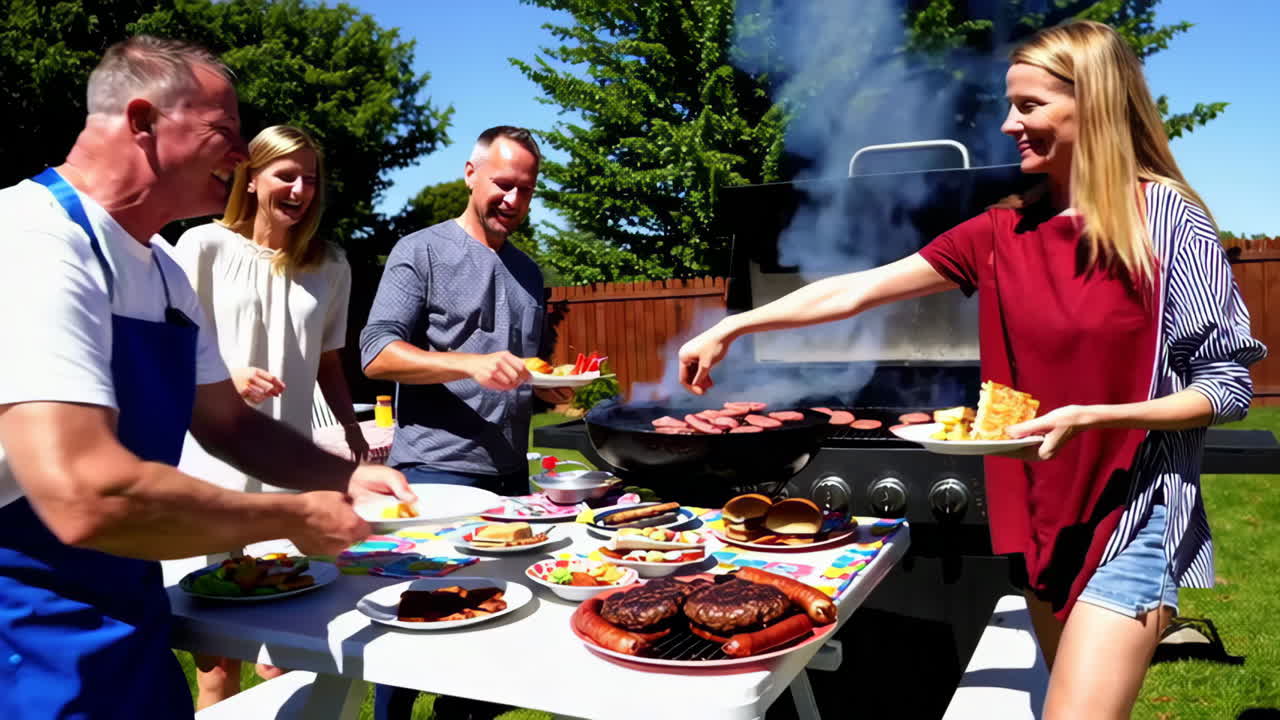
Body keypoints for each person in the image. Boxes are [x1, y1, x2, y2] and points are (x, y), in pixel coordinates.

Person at [678, 20, 1264, 720]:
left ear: (1096, 104)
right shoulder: (1001, 228)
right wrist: (741, 323)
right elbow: (858, 287)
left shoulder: (1167, 223)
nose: (1006, 123)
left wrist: (1102, 416)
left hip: (1127, 512)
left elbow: (1227, 388)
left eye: (1029, 105)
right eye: (1008, 104)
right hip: (1042, 516)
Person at [0, 37, 412, 720]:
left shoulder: (160, 268)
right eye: (224, 132)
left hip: (129, 617)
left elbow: (228, 422)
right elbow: (82, 494)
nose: (238, 155)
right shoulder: (31, 240)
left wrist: (342, 477)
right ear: (141, 121)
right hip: (23, 635)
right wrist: (293, 514)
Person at [359, 126, 571, 719]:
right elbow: (375, 352)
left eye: (526, 190)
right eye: (504, 184)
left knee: (489, 647)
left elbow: (516, 369)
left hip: (510, 481)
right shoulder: (420, 250)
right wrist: (470, 365)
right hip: (435, 475)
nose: (514, 199)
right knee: (410, 643)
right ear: (470, 173)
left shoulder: (529, 272)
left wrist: (547, 383)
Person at [169, 124, 368, 708]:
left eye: (310, 178)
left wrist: (350, 428)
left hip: (291, 467)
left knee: (294, 647)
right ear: (251, 179)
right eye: (286, 174)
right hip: (214, 466)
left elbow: (330, 358)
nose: (300, 189)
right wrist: (225, 377)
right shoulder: (202, 246)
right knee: (216, 662)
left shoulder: (330, 263)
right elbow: (170, 347)